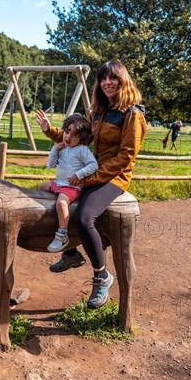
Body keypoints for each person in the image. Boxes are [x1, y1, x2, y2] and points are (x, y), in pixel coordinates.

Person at [35, 59, 147, 309]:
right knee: (55, 199)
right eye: (103, 78)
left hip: (114, 176)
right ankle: (72, 254)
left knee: (85, 217)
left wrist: (90, 179)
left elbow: (126, 157)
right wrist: (49, 131)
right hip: (90, 171)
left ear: (122, 80)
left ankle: (101, 276)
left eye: (113, 78)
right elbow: (78, 138)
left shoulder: (132, 114)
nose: (107, 82)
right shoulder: (98, 111)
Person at [35, 113, 98, 253]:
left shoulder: (82, 150)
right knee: (41, 187)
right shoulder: (63, 148)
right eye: (66, 132)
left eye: (73, 135)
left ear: (81, 138)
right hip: (58, 183)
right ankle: (47, 219)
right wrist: (55, 149)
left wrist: (79, 174)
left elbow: (93, 165)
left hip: (71, 187)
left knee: (61, 203)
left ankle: (62, 234)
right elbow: (50, 165)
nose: (68, 137)